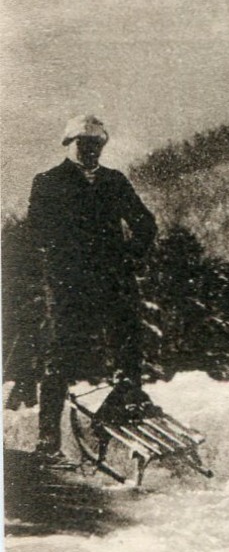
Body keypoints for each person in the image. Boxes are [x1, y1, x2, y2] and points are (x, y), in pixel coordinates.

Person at [26, 116, 157, 463]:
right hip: (70, 285)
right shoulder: (48, 183)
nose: (91, 152)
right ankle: (48, 436)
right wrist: (62, 262)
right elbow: (36, 233)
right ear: (70, 144)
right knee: (61, 354)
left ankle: (122, 408)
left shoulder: (114, 182)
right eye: (85, 145)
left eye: (97, 145)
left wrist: (129, 257)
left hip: (114, 283)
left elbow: (145, 224)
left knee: (128, 346)